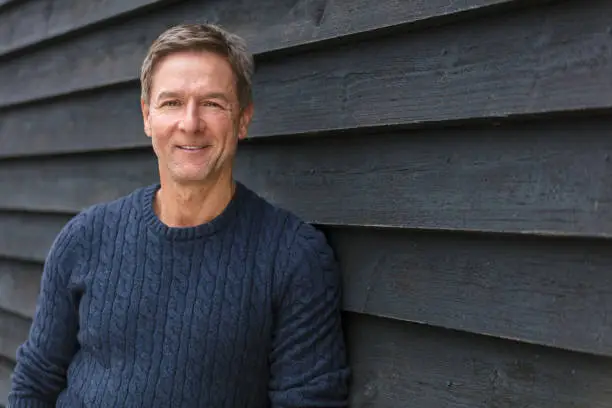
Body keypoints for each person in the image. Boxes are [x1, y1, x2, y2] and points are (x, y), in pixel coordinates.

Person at [9, 23, 350, 407]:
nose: (190, 123)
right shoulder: (84, 238)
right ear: (147, 116)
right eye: (171, 102)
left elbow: (309, 401)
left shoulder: (292, 257)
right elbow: (35, 382)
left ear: (243, 119)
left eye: (212, 103)